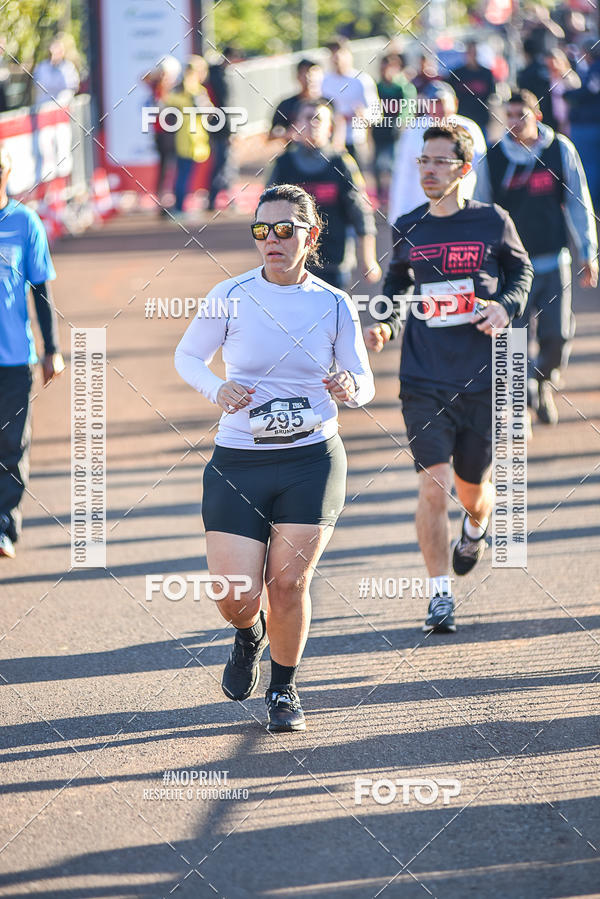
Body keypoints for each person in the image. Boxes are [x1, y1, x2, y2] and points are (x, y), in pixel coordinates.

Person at [174, 183, 375, 731]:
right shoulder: (230, 294)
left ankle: (284, 691)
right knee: (236, 594)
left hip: (312, 458)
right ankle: (248, 634)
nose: (272, 240)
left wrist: (347, 386)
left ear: (310, 237)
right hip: (239, 459)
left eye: (285, 230)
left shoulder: (333, 302)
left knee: (288, 584)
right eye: (262, 230)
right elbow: (187, 355)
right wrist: (217, 389)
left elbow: (364, 381)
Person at [364, 125, 532, 633]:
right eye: (423, 161)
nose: (428, 170)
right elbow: (396, 282)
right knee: (434, 487)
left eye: (439, 161)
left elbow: (521, 275)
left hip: (480, 377)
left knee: (472, 490)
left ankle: (476, 528)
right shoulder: (409, 224)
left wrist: (504, 308)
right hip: (424, 376)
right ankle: (440, 595)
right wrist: (388, 322)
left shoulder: (492, 221)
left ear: (463, 168)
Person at [475, 90, 597, 424]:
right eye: (509, 116)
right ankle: (523, 401)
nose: (514, 122)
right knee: (515, 339)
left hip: (553, 260)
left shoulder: (559, 150)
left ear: (538, 116)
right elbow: (483, 209)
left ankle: (542, 381)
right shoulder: (495, 157)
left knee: (557, 337)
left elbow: (578, 201)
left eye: (521, 115)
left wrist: (588, 252)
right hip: (510, 268)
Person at [0, 146, 65, 558]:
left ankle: (4, 526)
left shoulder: (24, 223)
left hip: (13, 358)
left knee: (10, 444)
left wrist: (51, 350)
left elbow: (41, 291)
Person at [267, 100, 381, 289]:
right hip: (292, 263)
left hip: (334, 262)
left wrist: (369, 259)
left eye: (318, 119)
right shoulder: (283, 165)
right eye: (307, 118)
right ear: (296, 124)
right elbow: (266, 214)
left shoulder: (342, 163)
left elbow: (360, 212)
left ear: (330, 128)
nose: (312, 124)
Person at [387, 81, 488, 223]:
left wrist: (481, 208)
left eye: (443, 102)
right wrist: (397, 214)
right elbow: (403, 174)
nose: (439, 108)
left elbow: (479, 173)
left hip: (461, 212)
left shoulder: (470, 129)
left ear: (455, 103)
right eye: (434, 103)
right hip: (422, 212)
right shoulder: (413, 130)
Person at [165, 56, 211, 218]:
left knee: (181, 173)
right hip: (191, 139)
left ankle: (179, 206)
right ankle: (179, 207)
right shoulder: (195, 91)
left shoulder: (178, 92)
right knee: (184, 174)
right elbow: (207, 112)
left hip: (185, 138)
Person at [322, 40, 379, 164]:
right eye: (333, 54)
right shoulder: (324, 81)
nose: (336, 58)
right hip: (330, 141)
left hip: (355, 139)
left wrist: (362, 115)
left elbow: (376, 113)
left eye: (340, 53)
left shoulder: (361, 80)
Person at [372, 54, 416, 208]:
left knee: (394, 165)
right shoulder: (377, 87)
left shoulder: (403, 88)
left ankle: (394, 194)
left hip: (395, 134)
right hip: (379, 132)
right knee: (377, 164)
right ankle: (379, 195)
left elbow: (407, 108)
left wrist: (401, 122)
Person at [142, 56, 182, 211]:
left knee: (174, 165)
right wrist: (158, 72)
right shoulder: (156, 86)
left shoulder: (175, 88)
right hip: (161, 132)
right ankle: (161, 199)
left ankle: (170, 197)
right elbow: (144, 77)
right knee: (165, 165)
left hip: (174, 130)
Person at [207, 48, 238, 210]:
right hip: (221, 128)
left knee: (222, 164)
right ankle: (216, 199)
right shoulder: (220, 77)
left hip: (214, 126)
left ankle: (217, 199)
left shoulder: (213, 74)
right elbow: (225, 107)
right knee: (223, 164)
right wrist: (229, 131)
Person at [269, 59, 324, 142]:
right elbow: (273, 133)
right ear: (298, 76)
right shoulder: (286, 105)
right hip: (295, 152)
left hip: (323, 152)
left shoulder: (327, 103)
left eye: (313, 74)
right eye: (305, 74)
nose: (310, 78)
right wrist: (288, 132)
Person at [450, 40, 496, 134]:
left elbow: (491, 95)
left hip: (481, 118)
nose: (472, 55)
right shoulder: (456, 73)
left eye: (474, 52)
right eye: (469, 52)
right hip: (462, 118)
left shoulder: (486, 73)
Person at [33, 34, 79, 106]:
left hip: (62, 108)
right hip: (44, 107)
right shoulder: (42, 67)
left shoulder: (69, 68)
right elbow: (38, 87)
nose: (56, 52)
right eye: (54, 49)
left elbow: (72, 87)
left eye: (59, 50)